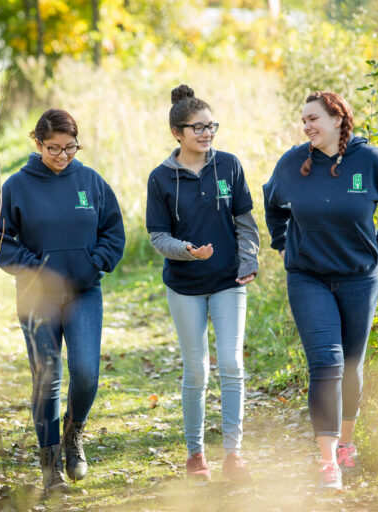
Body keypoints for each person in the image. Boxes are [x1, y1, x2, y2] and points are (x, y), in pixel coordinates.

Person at [263, 91, 378, 491]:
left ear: (337, 119)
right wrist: (282, 242)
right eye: (304, 121)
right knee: (326, 364)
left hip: (358, 277)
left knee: (350, 366)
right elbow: (273, 202)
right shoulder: (293, 163)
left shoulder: (372, 161)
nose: (308, 126)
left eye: (314, 118)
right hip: (308, 276)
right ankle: (327, 460)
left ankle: (346, 442)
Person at [0, 109, 125, 493]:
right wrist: (37, 270)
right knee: (46, 378)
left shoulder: (91, 182)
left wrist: (95, 262)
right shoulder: (17, 186)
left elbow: (113, 230)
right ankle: (51, 472)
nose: (63, 156)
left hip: (84, 293)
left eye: (70, 148)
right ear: (37, 143)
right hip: (36, 298)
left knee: (86, 373)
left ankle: (73, 433)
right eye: (54, 148)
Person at [145, 85, 259, 482]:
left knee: (231, 363)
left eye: (211, 125)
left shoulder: (229, 165)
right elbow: (158, 237)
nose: (207, 133)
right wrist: (186, 250)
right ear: (177, 133)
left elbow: (245, 222)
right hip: (184, 285)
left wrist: (249, 260)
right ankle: (195, 454)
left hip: (229, 281)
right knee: (197, 372)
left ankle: (234, 454)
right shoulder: (160, 178)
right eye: (198, 127)